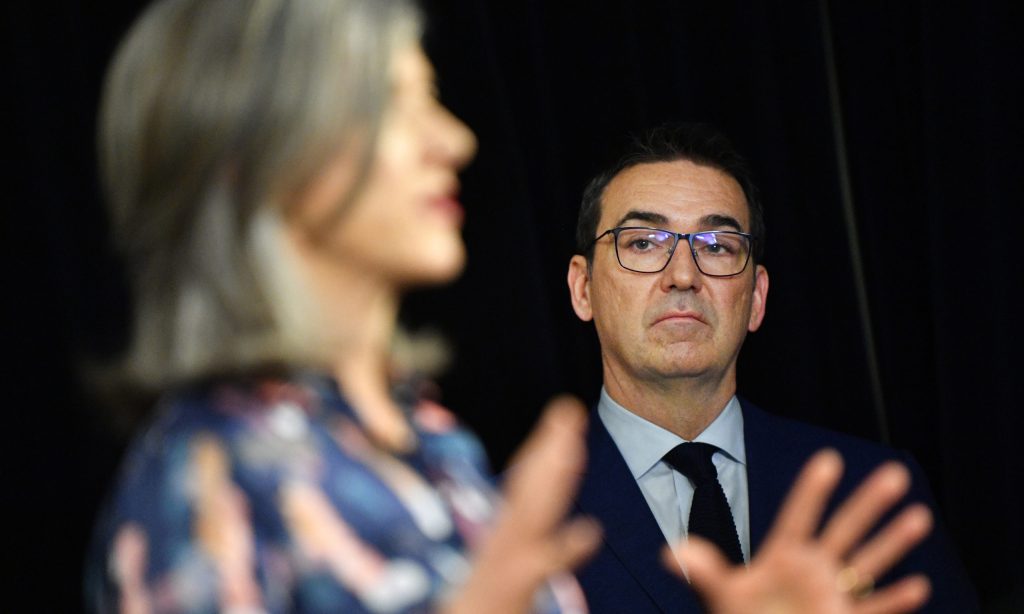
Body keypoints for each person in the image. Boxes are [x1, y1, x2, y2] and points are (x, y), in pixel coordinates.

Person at [85, 0, 601, 612]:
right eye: (388, 103)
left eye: (430, 98)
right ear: (252, 156)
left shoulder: (433, 438)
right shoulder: (204, 485)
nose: (454, 142)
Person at [565, 123, 979, 613]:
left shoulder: (874, 490)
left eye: (716, 246)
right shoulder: (509, 525)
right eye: (643, 242)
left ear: (757, 298)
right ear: (583, 288)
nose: (683, 275)